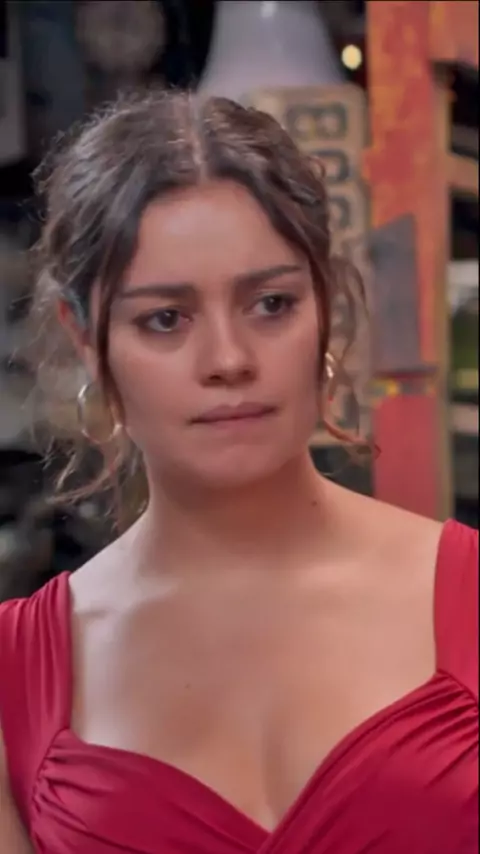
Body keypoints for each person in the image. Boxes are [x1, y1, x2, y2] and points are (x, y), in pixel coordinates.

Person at [0, 90, 477, 854]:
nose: (228, 359)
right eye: (165, 319)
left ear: (325, 307)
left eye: (271, 304)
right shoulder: (15, 677)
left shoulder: (467, 595)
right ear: (87, 340)